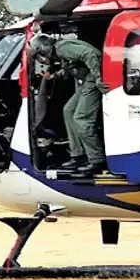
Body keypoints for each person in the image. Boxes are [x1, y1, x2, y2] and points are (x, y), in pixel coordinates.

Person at [30, 33, 109, 177]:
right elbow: (70, 67)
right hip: (86, 80)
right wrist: (54, 76)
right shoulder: (61, 52)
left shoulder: (62, 48)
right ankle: (78, 155)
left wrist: (98, 78)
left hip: (91, 79)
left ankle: (96, 159)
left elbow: (89, 54)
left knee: (82, 119)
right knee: (68, 110)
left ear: (44, 48)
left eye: (39, 55)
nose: (41, 60)